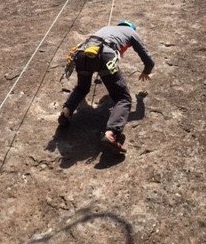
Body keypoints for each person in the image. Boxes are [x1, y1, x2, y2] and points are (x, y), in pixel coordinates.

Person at [58, 20, 154, 153]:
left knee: (82, 87)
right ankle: (111, 133)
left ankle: (67, 111)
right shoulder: (131, 32)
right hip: (105, 55)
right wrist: (147, 71)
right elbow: (147, 58)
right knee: (123, 99)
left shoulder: (107, 28)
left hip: (82, 54)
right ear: (131, 28)